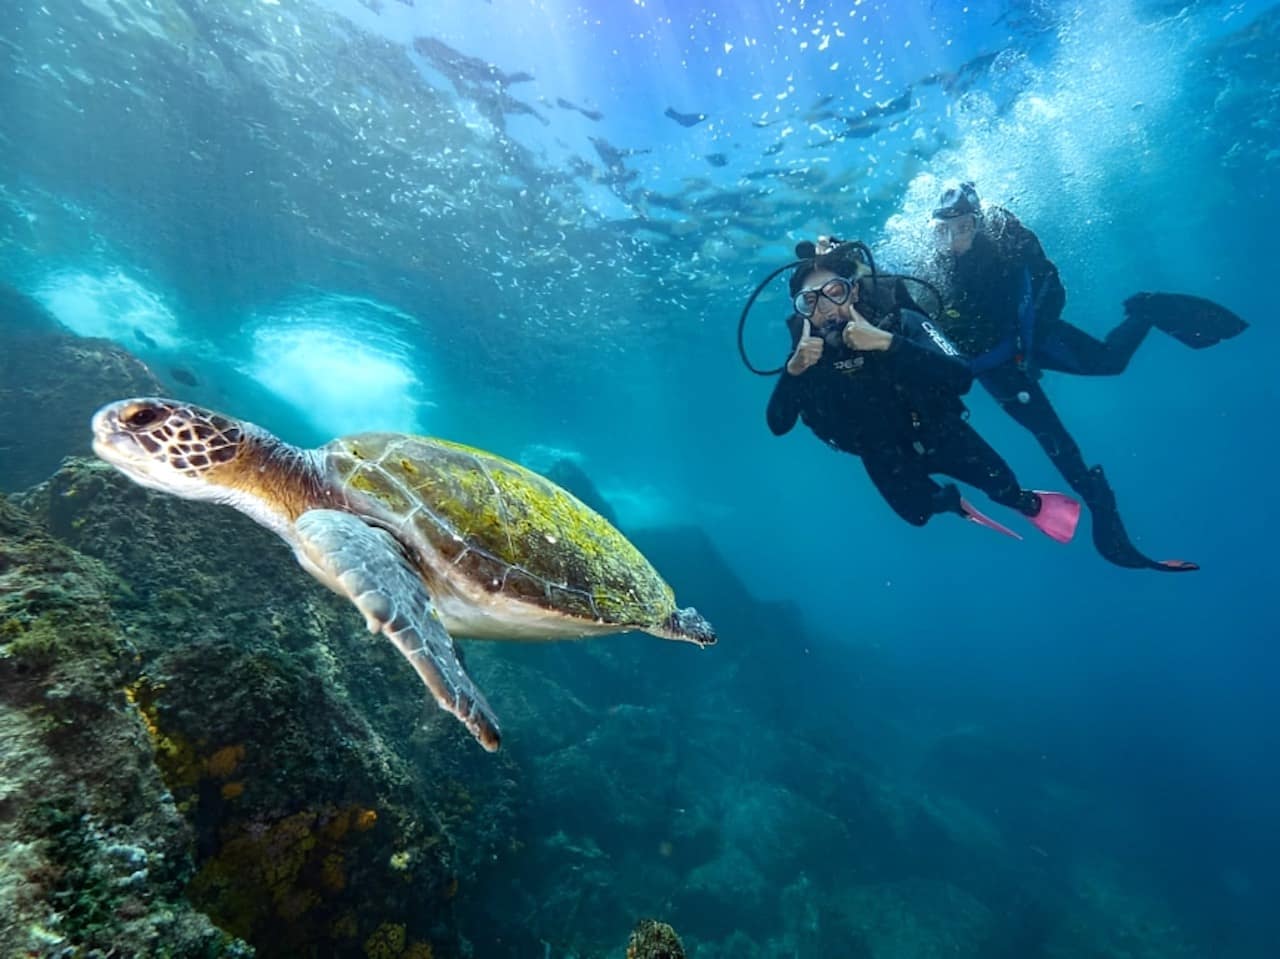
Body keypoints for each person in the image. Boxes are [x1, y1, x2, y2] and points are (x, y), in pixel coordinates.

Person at [928, 182, 1248, 572]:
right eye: (944, 231)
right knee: (1054, 440)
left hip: (1029, 338)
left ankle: (1148, 309)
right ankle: (1100, 505)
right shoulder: (932, 269)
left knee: (1110, 362)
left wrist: (1027, 348)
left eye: (963, 228)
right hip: (995, 365)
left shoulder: (1006, 242)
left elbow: (1048, 289)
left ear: (978, 222)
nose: (953, 240)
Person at [767, 237, 1081, 542]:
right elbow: (778, 424)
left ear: (854, 291)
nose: (826, 307)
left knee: (1006, 489)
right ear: (802, 312)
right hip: (882, 453)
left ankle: (1027, 503)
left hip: (939, 430)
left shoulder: (901, 322)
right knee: (917, 515)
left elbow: (961, 377)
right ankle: (949, 503)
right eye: (811, 301)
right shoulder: (807, 358)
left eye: (835, 292)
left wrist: (887, 343)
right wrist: (793, 372)